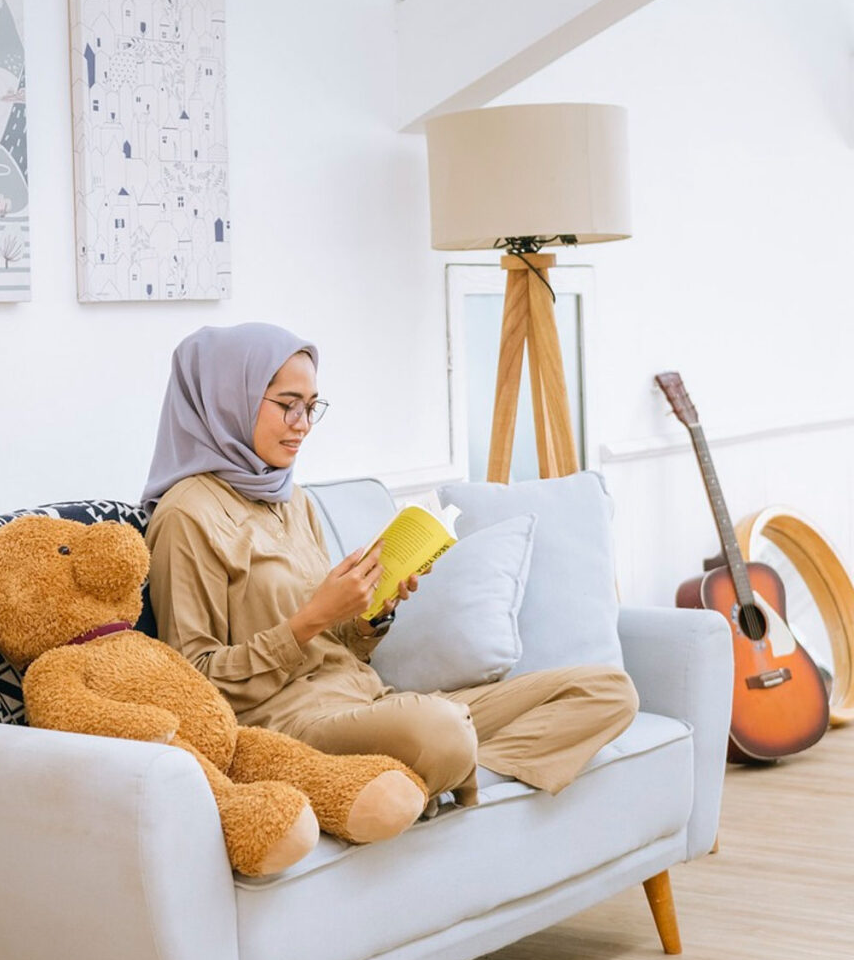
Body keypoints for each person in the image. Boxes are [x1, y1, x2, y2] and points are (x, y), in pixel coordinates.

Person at [143, 322, 638, 810]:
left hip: (370, 703)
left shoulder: (291, 500)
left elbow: (342, 653)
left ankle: (464, 776)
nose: (303, 424)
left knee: (606, 690)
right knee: (440, 727)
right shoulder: (187, 516)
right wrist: (312, 618)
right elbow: (195, 683)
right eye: (288, 405)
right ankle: (438, 767)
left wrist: (367, 614)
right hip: (291, 725)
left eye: (312, 407)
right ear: (228, 397)